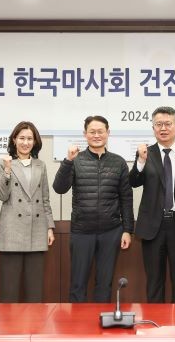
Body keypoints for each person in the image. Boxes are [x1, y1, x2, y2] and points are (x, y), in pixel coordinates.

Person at [53, 116, 134, 303]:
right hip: (82, 231)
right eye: (92, 132)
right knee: (78, 283)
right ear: (85, 134)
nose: (96, 135)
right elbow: (59, 188)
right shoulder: (76, 160)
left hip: (111, 231)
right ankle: (77, 321)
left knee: (105, 284)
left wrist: (128, 230)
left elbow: (126, 198)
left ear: (108, 133)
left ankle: (101, 320)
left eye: (100, 131)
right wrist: (68, 161)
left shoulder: (118, 162)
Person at [129, 106, 175, 303]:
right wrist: (140, 161)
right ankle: (156, 321)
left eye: (168, 124)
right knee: (154, 281)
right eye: (158, 124)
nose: (163, 128)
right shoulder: (146, 153)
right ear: (153, 128)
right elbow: (133, 182)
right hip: (152, 226)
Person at [0, 121, 55, 302]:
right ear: (14, 140)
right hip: (11, 230)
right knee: (9, 291)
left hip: (37, 229)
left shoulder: (40, 165)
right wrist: (7, 170)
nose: (25, 142)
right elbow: (2, 195)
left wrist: (49, 227)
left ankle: (34, 322)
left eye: (30, 138)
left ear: (35, 142)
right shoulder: (4, 162)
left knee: (35, 292)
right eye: (21, 138)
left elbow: (45, 198)